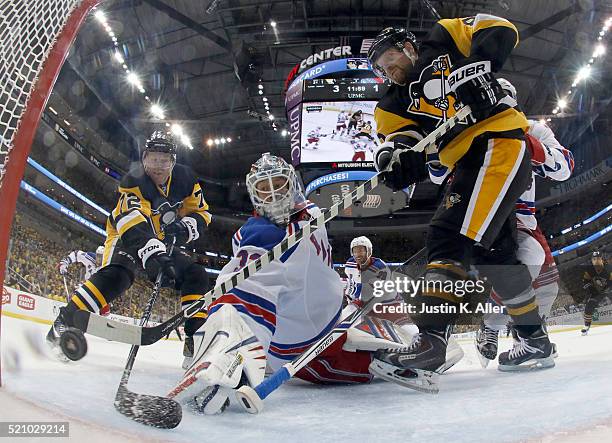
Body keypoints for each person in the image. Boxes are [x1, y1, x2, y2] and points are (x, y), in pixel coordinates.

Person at [168, 153, 440, 414]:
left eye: (279, 185)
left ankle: (419, 336)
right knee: (390, 362)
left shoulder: (311, 212)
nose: (273, 194)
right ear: (254, 196)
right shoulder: (259, 234)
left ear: (293, 184)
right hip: (308, 347)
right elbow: (242, 288)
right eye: (264, 189)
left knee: (393, 315)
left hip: (338, 316)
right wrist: (227, 348)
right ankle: (224, 361)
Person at [366, 15, 554, 390]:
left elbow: (499, 27)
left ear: (407, 47)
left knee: (447, 236)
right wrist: (396, 161)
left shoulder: (444, 37)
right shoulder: (391, 102)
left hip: (496, 142)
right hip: (467, 159)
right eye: (381, 69)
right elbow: (401, 141)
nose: (388, 70)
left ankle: (432, 342)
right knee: (495, 259)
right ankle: (536, 341)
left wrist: (477, 69)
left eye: (390, 60)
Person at [46, 131, 211, 367]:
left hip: (161, 240)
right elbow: (132, 221)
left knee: (196, 275)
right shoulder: (134, 181)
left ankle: (195, 340)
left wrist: (187, 226)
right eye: (153, 159)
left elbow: (202, 212)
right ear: (144, 159)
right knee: (118, 276)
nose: (158, 166)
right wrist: (152, 252)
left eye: (164, 160)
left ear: (173, 162)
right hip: (126, 236)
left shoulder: (186, 179)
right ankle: (64, 321)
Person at [465, 79, 574, 365]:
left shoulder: (532, 129)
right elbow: (439, 175)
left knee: (546, 278)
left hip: (522, 221)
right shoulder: (472, 132)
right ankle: (494, 326)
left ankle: (528, 334)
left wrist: (529, 145)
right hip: (483, 219)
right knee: (527, 260)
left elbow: (565, 168)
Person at [58, 246, 110, 315]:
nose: (99, 259)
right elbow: (76, 254)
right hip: (88, 286)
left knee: (105, 311)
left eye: (101, 256)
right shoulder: (90, 257)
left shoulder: (106, 267)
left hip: (98, 290)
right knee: (78, 292)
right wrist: (64, 263)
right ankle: (69, 315)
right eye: (98, 256)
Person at [580, 251, 611, 335]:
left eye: (598, 259)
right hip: (598, 292)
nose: (596, 261)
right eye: (594, 259)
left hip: (609, 289)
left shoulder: (608, 268)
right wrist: (591, 288)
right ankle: (586, 326)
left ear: (602, 259)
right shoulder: (589, 270)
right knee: (589, 307)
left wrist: (608, 287)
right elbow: (585, 281)